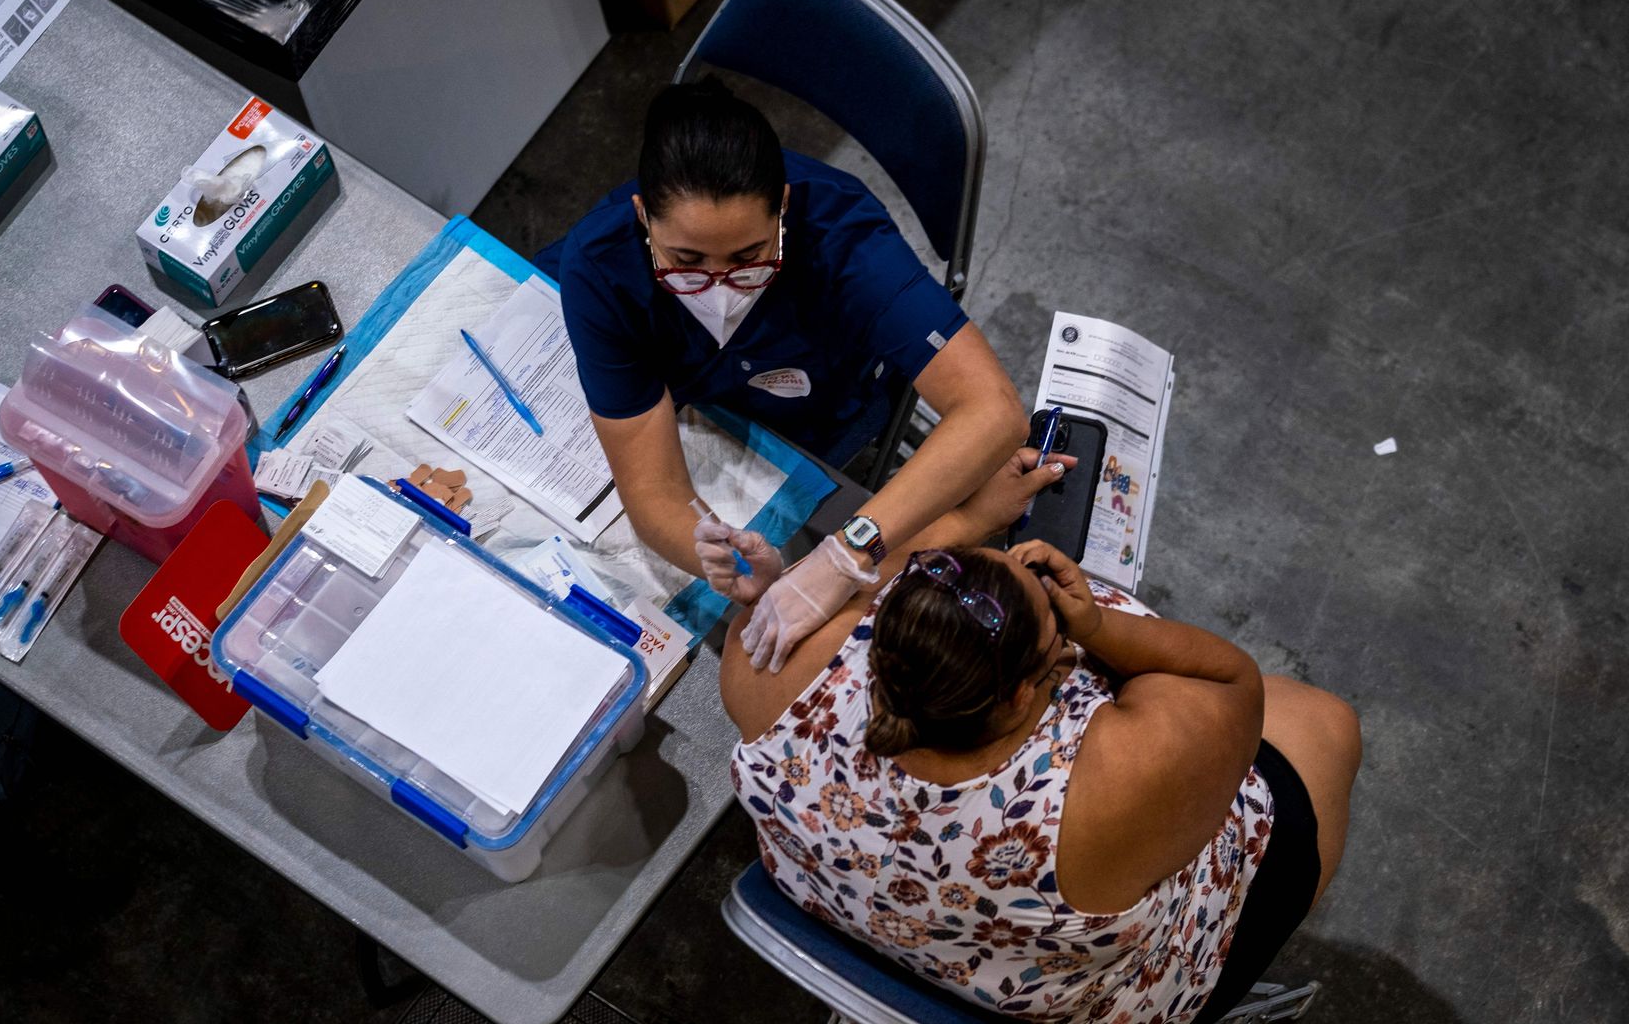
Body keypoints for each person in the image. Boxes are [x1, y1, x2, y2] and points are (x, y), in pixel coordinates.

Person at [721, 451, 1362, 1023]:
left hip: (835, 913)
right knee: (1320, 723)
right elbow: (1231, 682)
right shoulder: (1111, 784)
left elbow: (850, 583)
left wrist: (971, 519)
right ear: (1027, 691)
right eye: (1053, 630)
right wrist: (1098, 624)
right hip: (1085, 1001)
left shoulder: (781, 665)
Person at [536, 80, 1027, 672]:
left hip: (822, 413)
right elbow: (654, 491)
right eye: (687, 261)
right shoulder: (600, 261)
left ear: (785, 207)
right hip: (705, 411)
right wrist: (715, 554)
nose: (718, 286)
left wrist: (845, 554)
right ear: (642, 217)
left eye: (748, 257)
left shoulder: (842, 235)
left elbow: (993, 410)